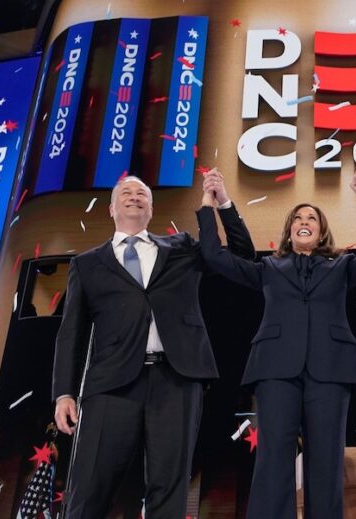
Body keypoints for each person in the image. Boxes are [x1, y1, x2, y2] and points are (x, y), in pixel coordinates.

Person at [52, 172, 255, 518]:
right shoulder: (86, 265)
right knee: (89, 487)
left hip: (176, 380)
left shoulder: (183, 248)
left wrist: (221, 203)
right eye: (126, 192)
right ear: (112, 209)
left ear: (151, 208)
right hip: (110, 386)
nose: (134, 196)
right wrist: (63, 393)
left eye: (142, 193)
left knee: (169, 486)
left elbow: (242, 254)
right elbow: (71, 332)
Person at [195, 166, 356, 519]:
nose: (305, 221)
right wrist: (213, 206)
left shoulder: (342, 266)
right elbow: (216, 257)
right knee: (273, 458)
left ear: (320, 232)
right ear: (289, 230)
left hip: (331, 370)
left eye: (312, 218)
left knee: (327, 459)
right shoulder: (268, 268)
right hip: (275, 370)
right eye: (298, 217)